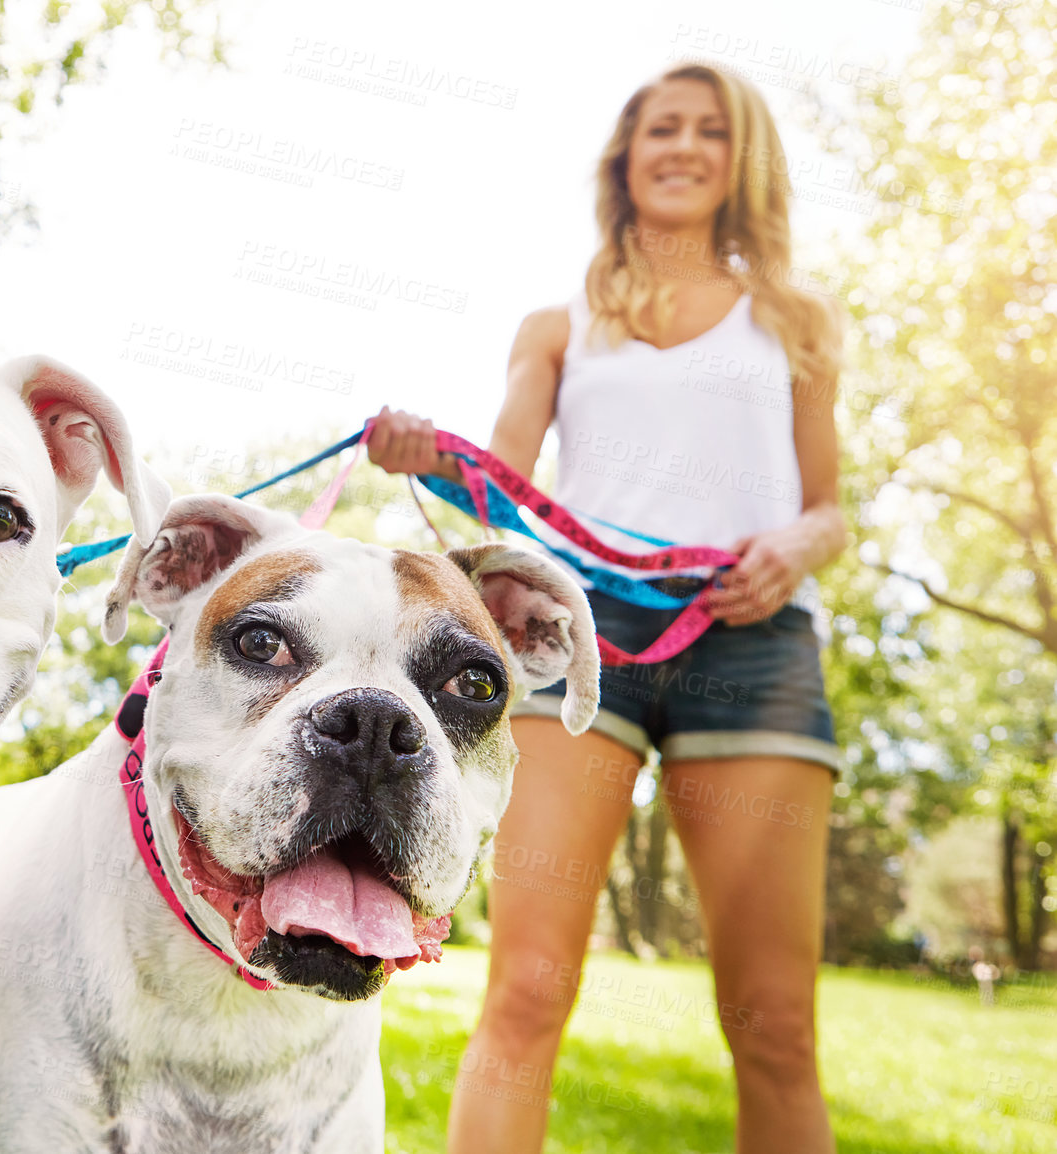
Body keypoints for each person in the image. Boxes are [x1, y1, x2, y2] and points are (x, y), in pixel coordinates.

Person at [368, 62, 846, 1154]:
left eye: (708, 131)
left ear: (742, 159)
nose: (681, 147)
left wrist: (794, 545)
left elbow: (829, 506)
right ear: (625, 158)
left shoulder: (797, 318)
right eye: (659, 128)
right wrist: (423, 454)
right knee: (526, 987)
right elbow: (502, 486)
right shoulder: (558, 324)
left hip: (757, 642)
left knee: (774, 1024)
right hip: (582, 635)